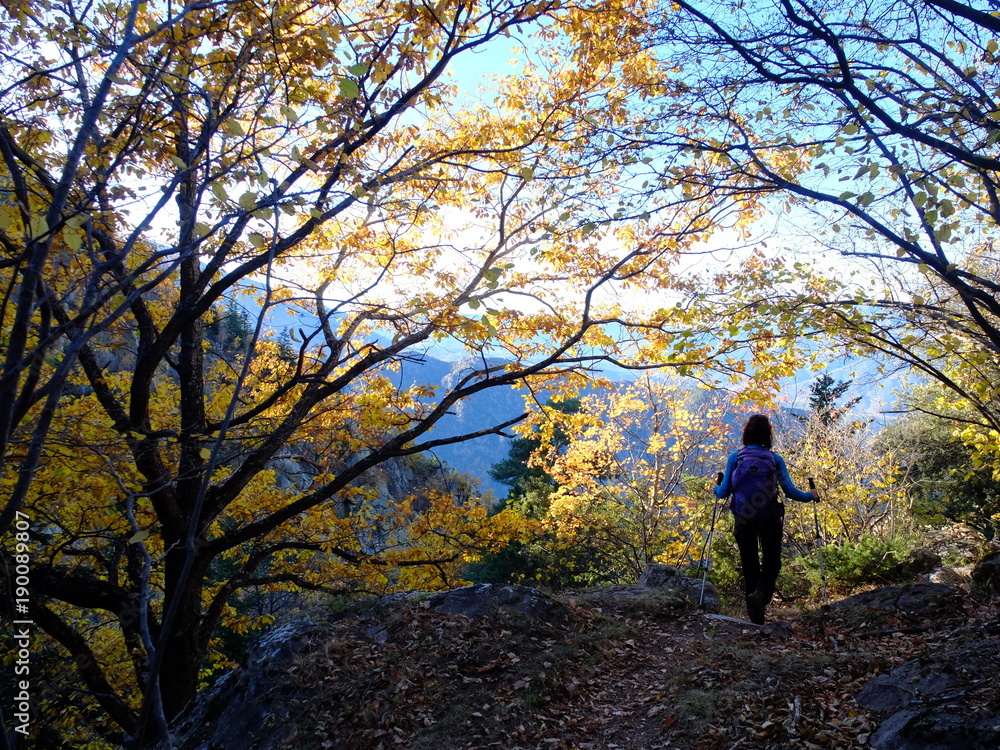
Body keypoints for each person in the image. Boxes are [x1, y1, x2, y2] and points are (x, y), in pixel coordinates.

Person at [714, 414, 817, 624]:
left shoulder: (735, 458)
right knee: (772, 562)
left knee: (749, 563)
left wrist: (715, 487)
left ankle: (755, 616)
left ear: (746, 433)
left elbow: (724, 492)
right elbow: (789, 491)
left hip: (743, 516)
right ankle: (760, 596)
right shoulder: (774, 459)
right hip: (768, 515)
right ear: (767, 435)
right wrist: (810, 496)